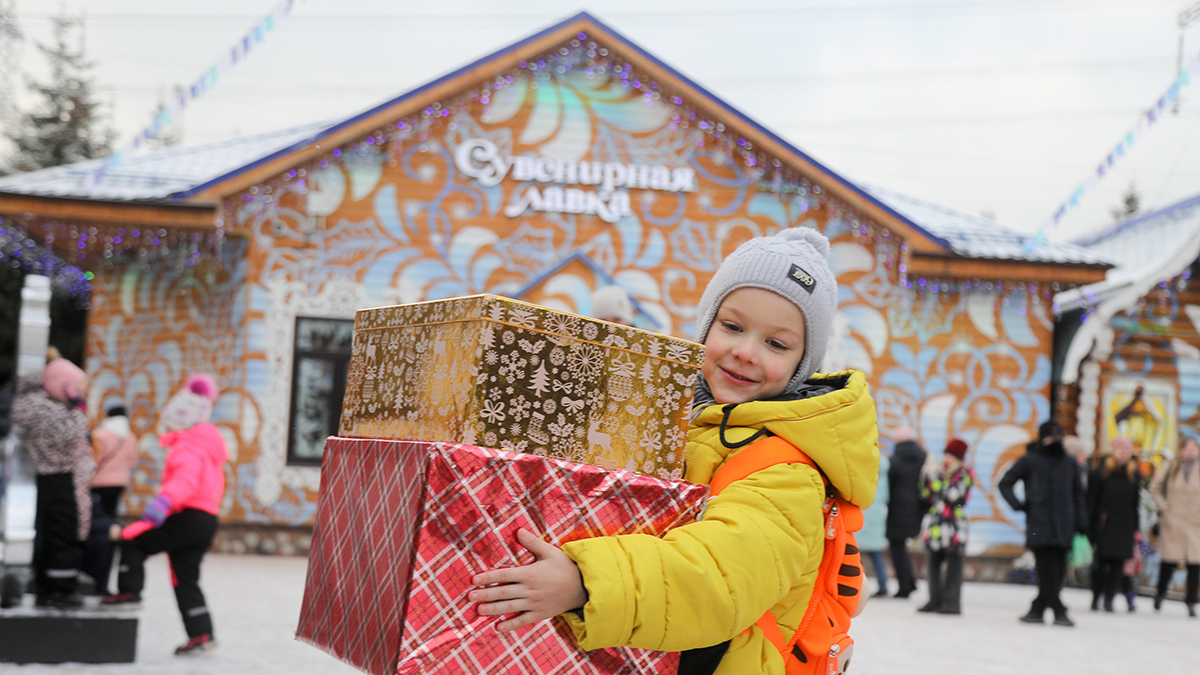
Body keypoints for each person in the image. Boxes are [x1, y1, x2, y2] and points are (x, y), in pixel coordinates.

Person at [468, 227, 879, 675]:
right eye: (733, 326)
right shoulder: (673, 419)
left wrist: (586, 582)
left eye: (775, 343)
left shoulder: (787, 469)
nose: (745, 351)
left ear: (803, 364)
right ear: (706, 324)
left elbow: (719, 578)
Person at [102, 374, 228, 656]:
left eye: (170, 420)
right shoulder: (207, 447)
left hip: (188, 515)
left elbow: (185, 480)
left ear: (181, 420)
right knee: (185, 578)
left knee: (132, 539)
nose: (166, 425)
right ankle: (202, 634)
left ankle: (128, 593)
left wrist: (163, 502)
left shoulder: (188, 446)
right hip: (206, 520)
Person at [10, 356, 95, 609]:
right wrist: (78, 408)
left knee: (59, 534)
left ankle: (53, 585)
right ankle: (60, 589)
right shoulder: (45, 409)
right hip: (60, 479)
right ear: (64, 386)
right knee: (63, 534)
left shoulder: (42, 406)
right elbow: (67, 435)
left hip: (61, 479)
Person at [999, 420, 1087, 627]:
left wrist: (1081, 521)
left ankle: (1037, 610)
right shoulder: (1031, 460)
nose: (1054, 441)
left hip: (1064, 524)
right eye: (1051, 436)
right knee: (1047, 570)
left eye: (1058, 437)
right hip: (1040, 524)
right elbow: (1006, 483)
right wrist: (1019, 505)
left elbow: (1078, 494)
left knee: (1058, 572)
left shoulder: (1069, 462)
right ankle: (1059, 611)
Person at [917, 438, 975, 615]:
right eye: (945, 454)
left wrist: (935, 477)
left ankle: (952, 603)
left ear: (958, 457)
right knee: (933, 563)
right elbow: (926, 495)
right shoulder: (943, 472)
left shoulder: (965, 474)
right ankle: (935, 599)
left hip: (954, 526)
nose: (946, 458)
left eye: (950, 455)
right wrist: (925, 475)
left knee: (953, 565)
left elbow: (952, 496)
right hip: (936, 524)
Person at [1086, 436, 1141, 612]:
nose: (1123, 454)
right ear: (1113, 451)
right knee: (1100, 565)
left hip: (1125, 526)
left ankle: (1109, 599)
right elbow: (1092, 500)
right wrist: (1091, 525)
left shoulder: (1133, 474)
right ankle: (1096, 597)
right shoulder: (1101, 472)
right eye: (1120, 450)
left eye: (1126, 450)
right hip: (1104, 525)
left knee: (1118, 566)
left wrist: (1136, 528)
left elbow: (1135, 504)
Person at [1149, 437, 1200, 617]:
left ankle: (1191, 601)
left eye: (1194, 448)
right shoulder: (1172, 467)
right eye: (1187, 448)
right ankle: (1160, 594)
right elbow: (1154, 487)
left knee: (1195, 564)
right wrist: (1163, 506)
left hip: (1195, 524)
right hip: (1173, 521)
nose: (1191, 451)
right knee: (1169, 561)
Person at [887, 426, 926, 599]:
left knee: (896, 545)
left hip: (897, 507)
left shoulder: (894, 460)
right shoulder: (922, 457)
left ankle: (905, 586)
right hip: (916, 506)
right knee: (901, 545)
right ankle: (909, 582)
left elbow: (889, 484)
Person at [91, 404, 139, 519]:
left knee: (97, 515)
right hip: (120, 481)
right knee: (111, 513)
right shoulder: (131, 437)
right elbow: (133, 462)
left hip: (98, 480)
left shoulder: (99, 434)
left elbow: (93, 458)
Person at [860, 447, 891, 597]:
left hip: (862, 511)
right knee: (875, 552)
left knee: (854, 554)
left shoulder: (862, 470)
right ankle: (883, 583)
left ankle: (854, 585)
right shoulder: (884, 473)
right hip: (876, 515)